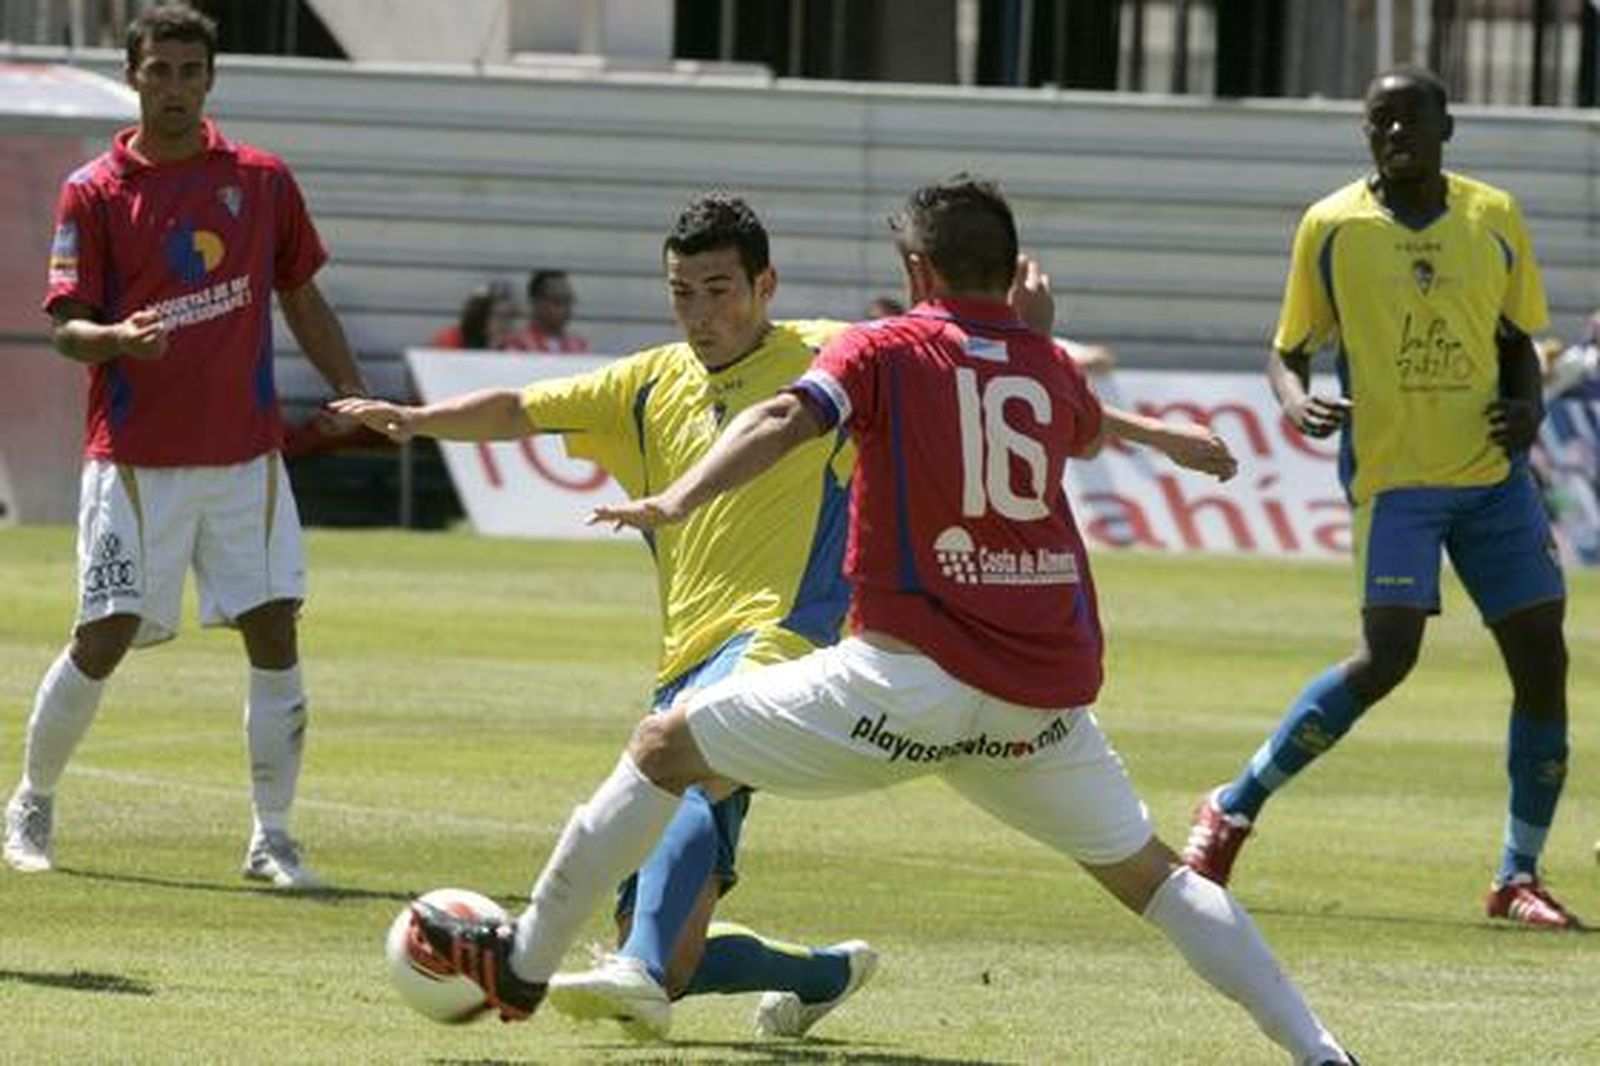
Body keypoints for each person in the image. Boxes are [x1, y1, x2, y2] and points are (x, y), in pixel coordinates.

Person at [399, 176, 1355, 1065]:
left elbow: (785, 420)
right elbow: (1082, 421)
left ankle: (524, 964)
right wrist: (1159, 430)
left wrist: (679, 497)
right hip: (1037, 708)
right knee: (1159, 880)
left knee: (664, 748)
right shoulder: (1044, 362)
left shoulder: (884, 348)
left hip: (903, 685)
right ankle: (1321, 1051)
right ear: (1012, 273)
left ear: (917, 271)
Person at [1181, 66, 1581, 930]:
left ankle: (1517, 875)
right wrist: (1295, 401)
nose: (1395, 133)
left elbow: (1517, 341)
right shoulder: (1332, 226)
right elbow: (1288, 348)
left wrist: (1530, 407)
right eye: (1380, 121)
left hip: (1493, 480)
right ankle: (1233, 806)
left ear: (1448, 127)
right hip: (1397, 483)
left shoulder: (1494, 216)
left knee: (1543, 662)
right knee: (1387, 658)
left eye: (1411, 118)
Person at [2, 4, 367, 889]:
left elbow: (302, 295)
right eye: (158, 70)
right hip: (134, 460)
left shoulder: (261, 180)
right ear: (132, 77)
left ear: (210, 78)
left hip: (245, 457)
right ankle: (30, 801)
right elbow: (66, 330)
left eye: (189, 71)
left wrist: (351, 391)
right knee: (105, 635)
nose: (174, 87)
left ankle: (272, 836)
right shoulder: (93, 190)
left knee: (274, 627)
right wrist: (117, 338)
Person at [514, 269, 590, 353]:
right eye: (556, 300)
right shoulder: (518, 344)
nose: (564, 308)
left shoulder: (580, 346)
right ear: (536, 302)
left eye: (567, 300)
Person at [430, 281, 520, 351]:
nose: (506, 323)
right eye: (499, 316)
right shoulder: (450, 340)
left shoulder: (514, 347)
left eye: (510, 316)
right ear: (480, 315)